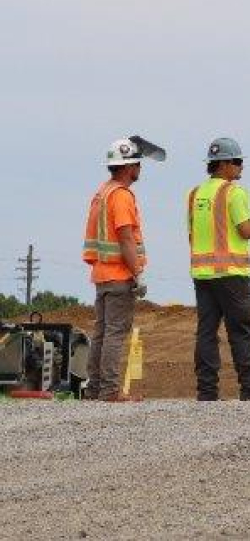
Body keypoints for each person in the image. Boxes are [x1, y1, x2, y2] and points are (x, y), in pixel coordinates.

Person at [187, 137, 250, 401]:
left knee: (206, 332)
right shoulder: (234, 192)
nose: (241, 167)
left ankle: (206, 393)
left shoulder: (194, 195)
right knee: (241, 333)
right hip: (233, 274)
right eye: (237, 162)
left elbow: (194, 234)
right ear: (224, 164)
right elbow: (246, 230)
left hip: (202, 275)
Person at [83, 136, 164, 401]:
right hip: (119, 275)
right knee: (115, 333)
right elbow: (126, 237)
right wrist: (138, 273)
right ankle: (108, 391)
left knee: (102, 333)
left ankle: (95, 389)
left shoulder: (102, 193)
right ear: (130, 166)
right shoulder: (120, 196)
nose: (140, 168)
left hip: (103, 275)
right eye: (138, 163)